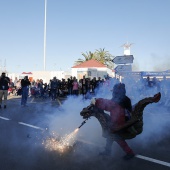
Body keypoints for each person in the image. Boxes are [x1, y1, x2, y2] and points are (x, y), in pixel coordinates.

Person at [90, 83, 161, 160]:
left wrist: (95, 101)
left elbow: (107, 105)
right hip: (121, 121)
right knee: (109, 135)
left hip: (121, 123)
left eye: (114, 91)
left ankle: (130, 153)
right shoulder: (125, 99)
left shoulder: (117, 102)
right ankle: (108, 150)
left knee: (117, 137)